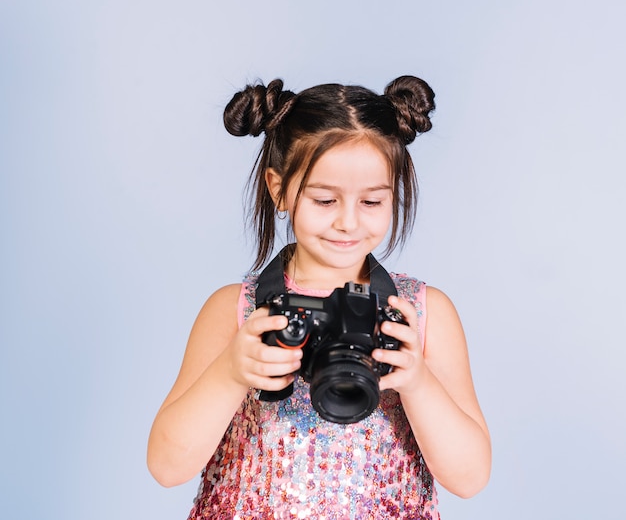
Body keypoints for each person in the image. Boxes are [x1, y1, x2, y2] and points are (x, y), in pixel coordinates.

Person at [147, 75, 491, 519]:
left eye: (371, 202)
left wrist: (417, 381)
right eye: (325, 200)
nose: (348, 222)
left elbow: (470, 477)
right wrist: (232, 371)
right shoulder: (239, 311)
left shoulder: (419, 314)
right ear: (280, 189)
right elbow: (166, 466)